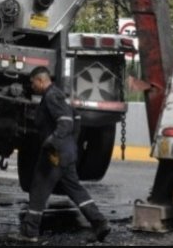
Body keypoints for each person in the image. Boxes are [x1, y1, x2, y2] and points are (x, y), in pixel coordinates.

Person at [14, 65, 111, 243]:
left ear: (41, 80)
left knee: (38, 191)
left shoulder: (52, 95)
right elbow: (76, 118)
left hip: (54, 155)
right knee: (76, 191)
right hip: (66, 154)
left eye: (33, 82)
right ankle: (100, 223)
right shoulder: (57, 96)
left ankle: (29, 232)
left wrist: (53, 141)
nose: (32, 86)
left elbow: (65, 121)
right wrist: (71, 144)